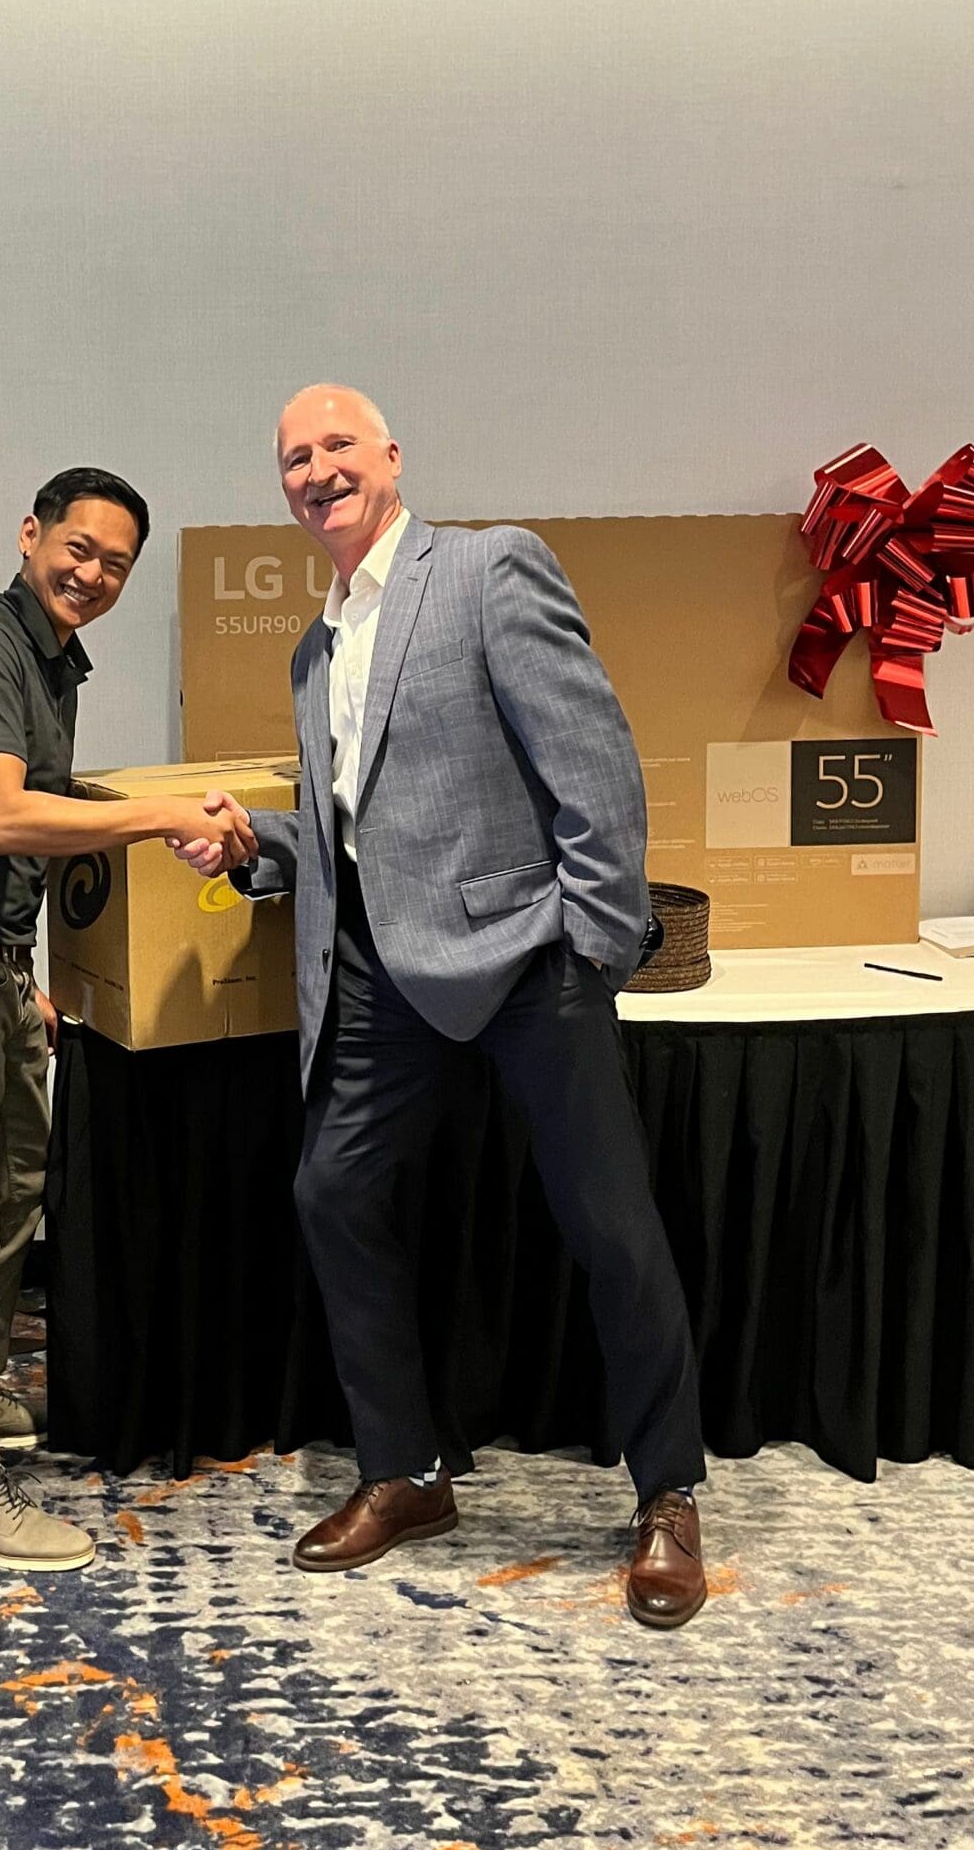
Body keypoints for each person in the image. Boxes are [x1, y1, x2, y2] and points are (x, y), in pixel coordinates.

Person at [180, 387, 708, 1629]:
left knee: (609, 1224)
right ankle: (408, 1472)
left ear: (391, 456)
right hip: (381, 970)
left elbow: (597, 765)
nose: (317, 470)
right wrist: (257, 847)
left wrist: (591, 944)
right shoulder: (314, 648)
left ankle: (668, 1492)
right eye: (294, 458)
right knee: (333, 1191)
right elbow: (352, 825)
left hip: (528, 959)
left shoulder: (485, 570)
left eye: (337, 446)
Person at [0, 469, 245, 1575]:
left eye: (116, 564)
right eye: (78, 548)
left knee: (12, 1197)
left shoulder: (51, 660)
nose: (92, 574)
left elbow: (31, 815)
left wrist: (19, 965)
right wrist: (165, 815)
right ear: (31, 534)